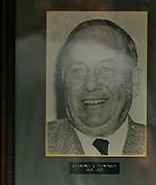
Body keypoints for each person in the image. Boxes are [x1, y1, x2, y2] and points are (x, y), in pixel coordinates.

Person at [45, 19, 147, 156]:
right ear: (64, 80)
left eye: (105, 70)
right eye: (78, 70)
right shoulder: (35, 145)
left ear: (134, 81)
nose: (91, 85)